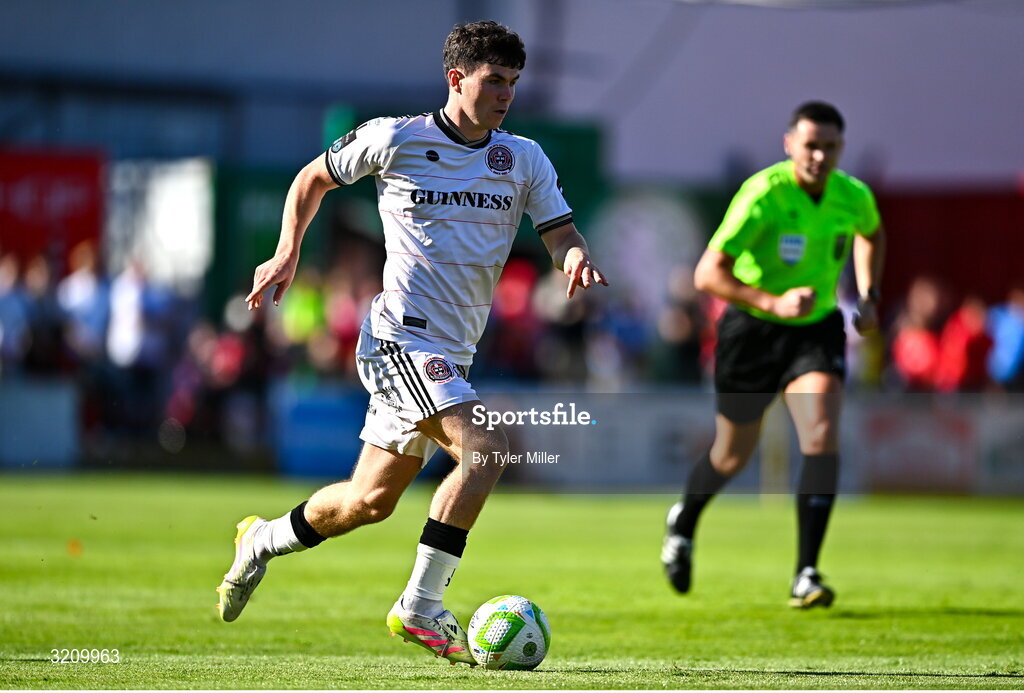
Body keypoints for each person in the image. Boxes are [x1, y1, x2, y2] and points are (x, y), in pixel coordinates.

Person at [216, 20, 607, 665]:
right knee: (485, 453)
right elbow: (310, 180)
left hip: (451, 352)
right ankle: (421, 606)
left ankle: (261, 540)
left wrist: (573, 257)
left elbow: (560, 230)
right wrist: (287, 254)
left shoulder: (525, 158)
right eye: (494, 80)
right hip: (401, 336)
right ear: (457, 79)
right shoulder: (395, 138)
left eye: (513, 81)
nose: (506, 93)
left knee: (368, 501)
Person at [661, 101, 885, 608]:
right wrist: (772, 301)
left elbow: (872, 232)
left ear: (839, 149)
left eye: (830, 147)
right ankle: (685, 520)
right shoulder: (762, 193)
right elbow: (707, 275)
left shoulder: (852, 196)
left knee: (822, 433)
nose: (820, 155)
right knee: (732, 454)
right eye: (811, 145)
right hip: (753, 329)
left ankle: (806, 572)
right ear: (790, 145)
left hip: (816, 330)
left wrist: (869, 294)